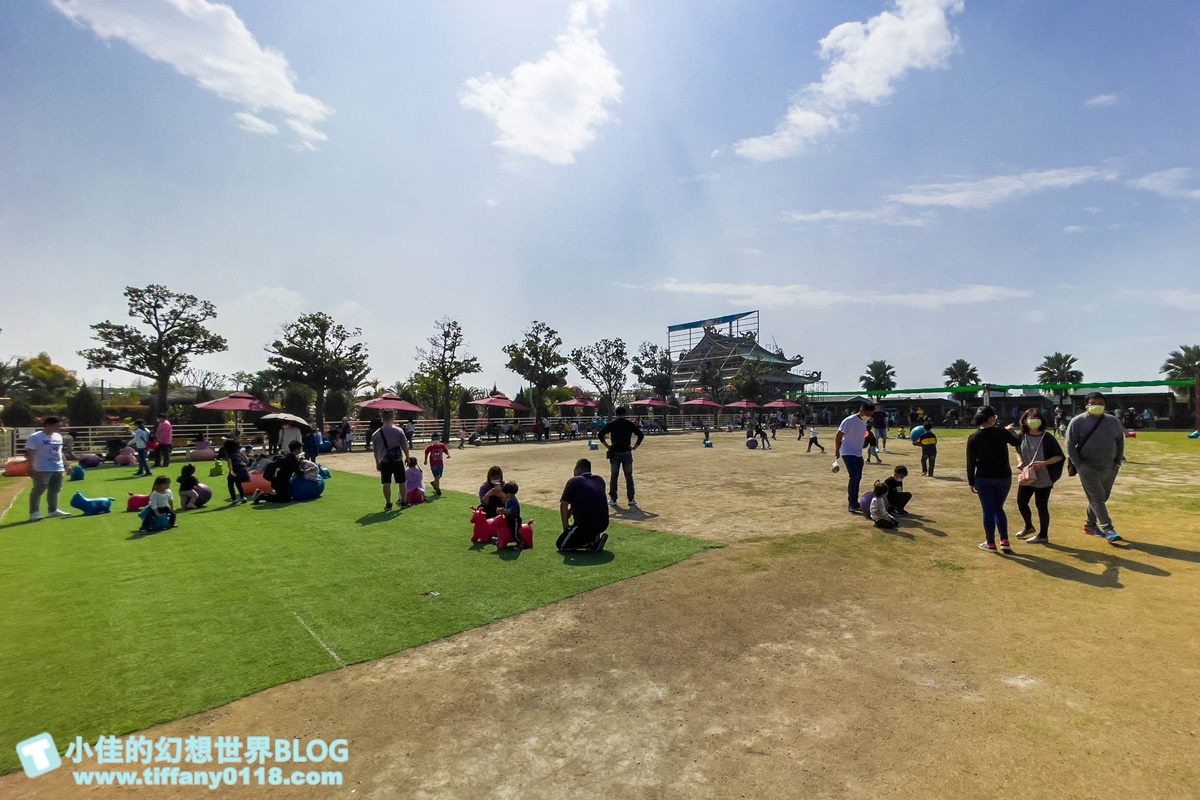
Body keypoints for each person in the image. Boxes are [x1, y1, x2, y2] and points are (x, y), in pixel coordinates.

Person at [1066, 392, 1126, 543]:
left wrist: (1117, 461)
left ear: (1105, 405)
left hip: (1109, 466)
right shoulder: (1077, 422)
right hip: (1087, 466)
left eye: (1100, 403)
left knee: (1102, 497)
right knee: (1097, 497)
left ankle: (1090, 525)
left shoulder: (1113, 421)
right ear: (1086, 405)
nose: (1097, 406)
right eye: (1093, 403)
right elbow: (1070, 445)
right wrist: (1079, 465)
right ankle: (1108, 529)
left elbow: (1120, 441)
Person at [966, 406, 1021, 553]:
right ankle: (1005, 540)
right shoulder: (1001, 432)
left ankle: (990, 542)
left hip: (983, 477)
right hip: (1003, 477)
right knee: (998, 508)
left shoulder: (974, 437)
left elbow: (970, 462)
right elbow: (1016, 441)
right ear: (991, 418)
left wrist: (971, 481)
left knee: (988, 511)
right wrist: (1010, 430)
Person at [1014, 408, 1066, 545]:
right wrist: (1020, 461)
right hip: (1027, 476)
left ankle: (1043, 535)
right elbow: (1017, 450)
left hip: (1044, 477)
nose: (1033, 421)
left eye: (1036, 418)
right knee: (1021, 502)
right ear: (1024, 420)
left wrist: (1044, 463)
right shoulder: (1022, 436)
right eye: (1030, 418)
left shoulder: (1047, 437)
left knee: (1041, 505)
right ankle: (1028, 526)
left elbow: (1059, 456)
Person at [558, 458, 610, 552]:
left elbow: (563, 504)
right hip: (603, 524)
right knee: (589, 526)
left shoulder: (573, 481)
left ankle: (588, 543)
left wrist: (566, 528)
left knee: (562, 545)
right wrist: (572, 510)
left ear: (578, 470)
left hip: (584, 525)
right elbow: (590, 500)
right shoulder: (599, 480)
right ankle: (593, 539)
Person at [25, 416, 71, 521]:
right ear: (49, 425)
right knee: (39, 489)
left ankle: (53, 510)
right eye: (57, 426)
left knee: (55, 489)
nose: (59, 428)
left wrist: (66, 465)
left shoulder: (58, 437)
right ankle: (34, 512)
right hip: (42, 468)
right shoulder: (35, 437)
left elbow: (60, 452)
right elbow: (30, 452)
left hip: (57, 467)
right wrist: (31, 466)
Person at [599, 406, 645, 509]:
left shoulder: (611, 424)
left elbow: (600, 434)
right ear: (625, 413)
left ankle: (613, 499)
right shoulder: (629, 424)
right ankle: (631, 499)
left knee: (614, 476)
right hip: (627, 452)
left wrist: (608, 446)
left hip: (615, 452)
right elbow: (640, 435)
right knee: (629, 476)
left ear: (616, 413)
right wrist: (634, 447)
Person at [835, 403, 874, 514]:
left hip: (858, 453)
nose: (869, 416)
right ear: (861, 411)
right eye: (867, 414)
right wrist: (837, 449)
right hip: (847, 452)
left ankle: (855, 502)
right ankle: (852, 504)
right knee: (854, 477)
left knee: (858, 478)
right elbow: (838, 435)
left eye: (871, 415)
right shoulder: (849, 420)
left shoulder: (864, 421)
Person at [370, 411, 411, 512]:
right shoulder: (399, 431)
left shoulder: (376, 434)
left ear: (382, 418)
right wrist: (407, 457)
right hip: (397, 460)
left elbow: (375, 451)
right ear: (393, 417)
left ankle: (388, 504)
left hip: (384, 460)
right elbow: (404, 445)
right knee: (402, 482)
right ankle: (404, 502)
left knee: (386, 483)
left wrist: (377, 462)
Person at [222, 439, 252, 504]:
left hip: (235, 469)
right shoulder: (240, 452)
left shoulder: (229, 454)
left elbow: (229, 462)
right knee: (238, 484)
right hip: (242, 468)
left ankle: (234, 499)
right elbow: (247, 460)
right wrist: (245, 467)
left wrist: (231, 471)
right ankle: (243, 497)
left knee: (230, 484)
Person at [501, 482, 523, 548]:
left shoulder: (514, 501)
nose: (504, 495)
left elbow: (511, 511)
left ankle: (520, 542)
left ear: (510, 493)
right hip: (509, 519)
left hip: (515, 520)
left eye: (505, 493)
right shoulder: (508, 500)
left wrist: (504, 511)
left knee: (514, 533)